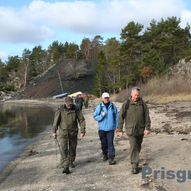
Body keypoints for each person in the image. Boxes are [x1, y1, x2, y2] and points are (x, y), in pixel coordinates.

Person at [118, 87, 151, 174]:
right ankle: (134, 165)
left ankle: (135, 158)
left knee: (138, 146)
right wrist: (120, 130)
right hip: (130, 130)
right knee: (133, 147)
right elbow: (120, 117)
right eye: (135, 95)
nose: (136, 96)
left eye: (138, 95)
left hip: (140, 130)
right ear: (131, 94)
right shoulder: (126, 104)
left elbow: (147, 116)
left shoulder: (143, 104)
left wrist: (148, 128)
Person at [52, 96, 86, 174]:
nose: (69, 105)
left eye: (70, 104)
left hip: (73, 133)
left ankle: (71, 161)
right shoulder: (60, 110)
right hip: (63, 133)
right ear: (65, 103)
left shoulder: (76, 109)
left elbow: (81, 120)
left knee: (72, 149)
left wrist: (82, 131)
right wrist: (54, 131)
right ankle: (65, 166)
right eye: (68, 104)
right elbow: (55, 121)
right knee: (63, 149)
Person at [93, 92, 118, 165]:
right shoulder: (99, 107)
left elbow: (116, 117)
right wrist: (101, 116)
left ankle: (111, 158)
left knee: (110, 143)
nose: (106, 99)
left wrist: (117, 127)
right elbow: (95, 116)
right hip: (102, 129)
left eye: (107, 98)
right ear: (102, 98)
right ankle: (105, 154)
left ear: (109, 98)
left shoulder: (113, 106)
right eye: (105, 98)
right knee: (104, 143)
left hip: (110, 129)